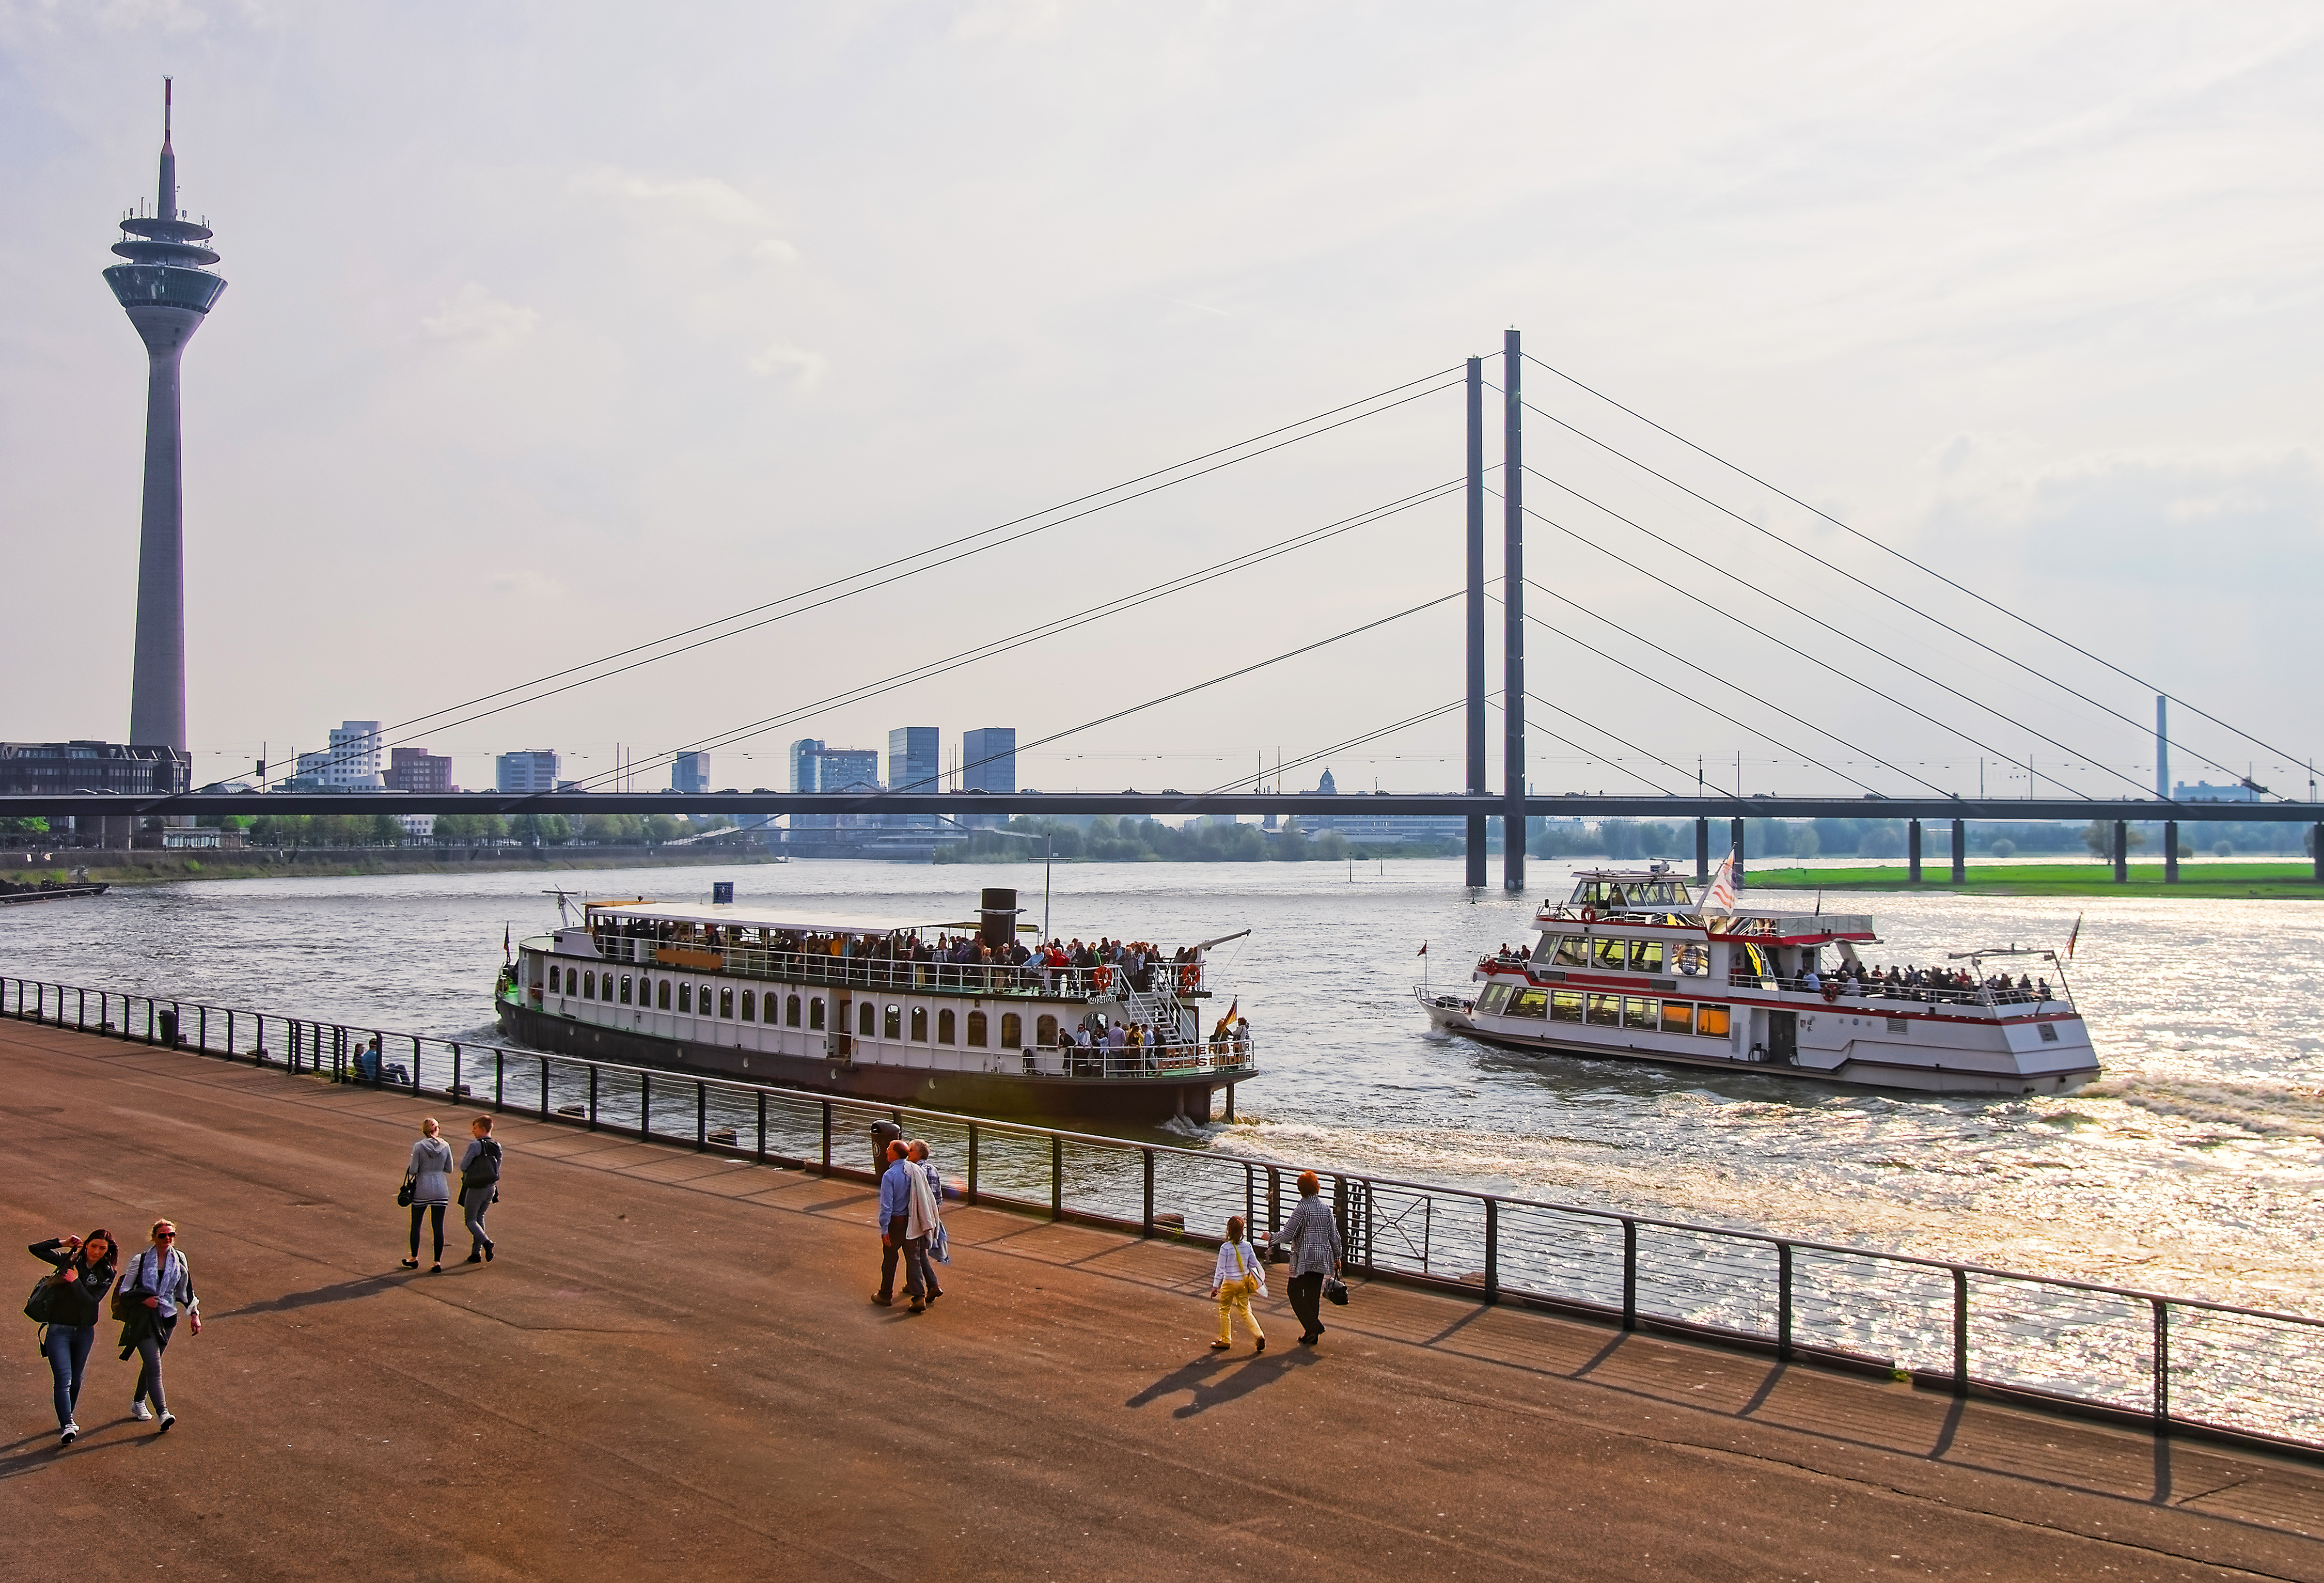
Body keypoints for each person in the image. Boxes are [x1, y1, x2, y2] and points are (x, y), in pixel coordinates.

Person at [29, 1228, 117, 1444]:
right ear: (86, 1245)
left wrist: (76, 1281)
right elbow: (35, 1249)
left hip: (84, 1331)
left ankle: (68, 1417)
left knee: (76, 1379)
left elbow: (91, 1302)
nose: (96, 1252)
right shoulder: (70, 1260)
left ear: (108, 1251)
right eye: (93, 1246)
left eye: (102, 1248)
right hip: (58, 1329)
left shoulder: (107, 1272)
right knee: (63, 1379)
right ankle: (67, 1424)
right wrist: (63, 1242)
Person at [118, 1220, 198, 1432]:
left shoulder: (180, 1258)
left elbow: (186, 1289)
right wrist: (143, 1300)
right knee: (155, 1366)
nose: (167, 1239)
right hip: (144, 1319)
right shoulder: (141, 1260)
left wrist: (194, 1315)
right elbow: (124, 1291)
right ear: (153, 1237)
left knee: (151, 1364)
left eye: (171, 1235)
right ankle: (163, 1413)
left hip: (168, 1318)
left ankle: (138, 1402)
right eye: (163, 1235)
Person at [1270, 1170, 1343, 1347]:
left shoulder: (1302, 1209)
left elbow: (1288, 1234)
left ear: (1300, 1190)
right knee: (1312, 1296)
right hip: (1322, 1258)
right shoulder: (1326, 1209)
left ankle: (1314, 1327)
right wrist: (1338, 1256)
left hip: (1305, 1258)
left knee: (1293, 1292)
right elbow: (1334, 1235)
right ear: (1317, 1187)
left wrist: (1271, 1238)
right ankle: (1311, 1335)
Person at [873, 1140, 928, 1313]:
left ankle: (885, 1295)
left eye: (889, 1148)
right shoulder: (914, 1171)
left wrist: (884, 1229)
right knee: (914, 1260)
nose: (886, 1151)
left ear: (895, 1153)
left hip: (895, 1224)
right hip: (911, 1222)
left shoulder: (889, 1176)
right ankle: (919, 1297)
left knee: (890, 1259)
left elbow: (886, 1206)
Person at [402, 1118, 455, 1272]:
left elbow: (413, 1170)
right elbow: (449, 1169)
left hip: (422, 1189)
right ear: (436, 1129)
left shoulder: (419, 1147)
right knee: (438, 1227)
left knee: (416, 1224)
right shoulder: (446, 1146)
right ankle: (437, 1262)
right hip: (441, 1188)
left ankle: (414, 1258)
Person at [1209, 1216, 1266, 1353]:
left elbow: (1220, 1269)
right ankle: (1259, 1335)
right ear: (1242, 1230)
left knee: (1224, 1310)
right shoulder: (1247, 1246)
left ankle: (1226, 1339)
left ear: (1228, 1230)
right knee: (1246, 1311)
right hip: (1243, 1283)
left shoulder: (1225, 1248)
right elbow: (1253, 1264)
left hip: (1229, 1283)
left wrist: (1215, 1286)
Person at [906, 1139, 946, 1305]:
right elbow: (938, 1197)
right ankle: (913, 1283)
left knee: (917, 1253)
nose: (908, 1153)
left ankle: (933, 1285)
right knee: (916, 1252)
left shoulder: (915, 1170)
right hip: (932, 1215)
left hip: (920, 1217)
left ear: (919, 1154)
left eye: (910, 1151)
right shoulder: (933, 1169)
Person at [459, 1115, 503, 1264]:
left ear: (483, 1129)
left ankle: (486, 1243)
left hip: (476, 1187)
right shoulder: (498, 1146)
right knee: (480, 1218)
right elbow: (497, 1168)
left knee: (470, 1220)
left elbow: (463, 1165)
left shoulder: (476, 1146)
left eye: (476, 1128)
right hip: (491, 1188)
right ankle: (475, 1253)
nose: (473, 1131)